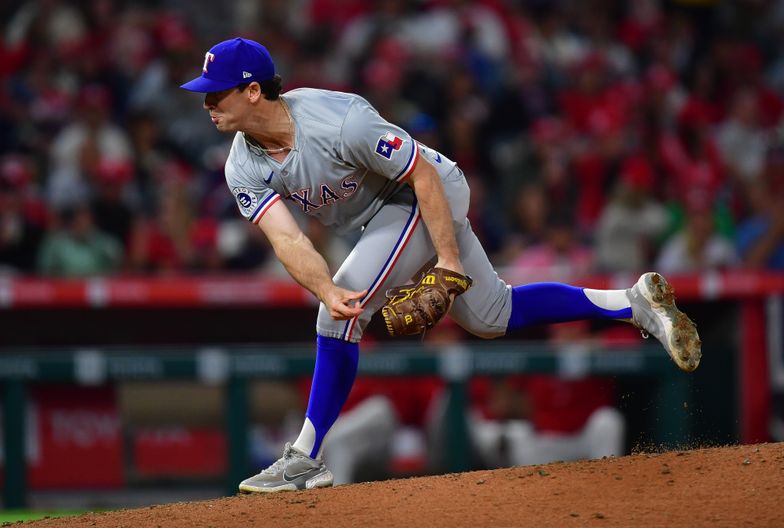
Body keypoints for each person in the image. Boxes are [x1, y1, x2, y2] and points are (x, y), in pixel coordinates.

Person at [179, 37, 702, 493]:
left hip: (426, 192)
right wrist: (323, 288)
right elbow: (286, 238)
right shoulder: (240, 163)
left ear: (252, 91)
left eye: (214, 91)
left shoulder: (338, 119)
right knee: (491, 316)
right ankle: (630, 303)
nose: (206, 103)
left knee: (339, 315)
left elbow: (422, 174)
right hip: (381, 218)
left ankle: (305, 457)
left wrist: (447, 263)